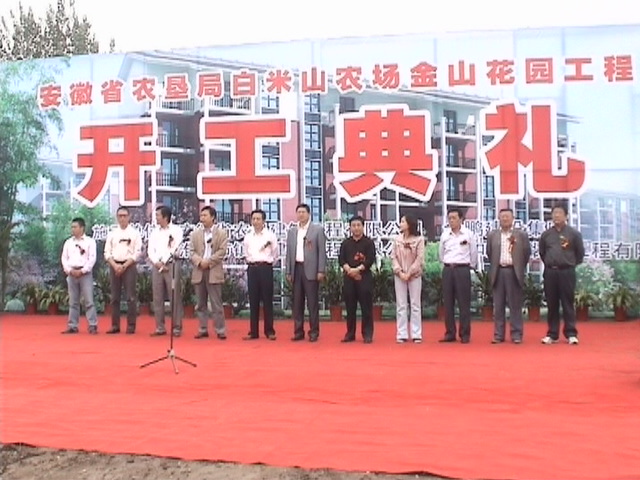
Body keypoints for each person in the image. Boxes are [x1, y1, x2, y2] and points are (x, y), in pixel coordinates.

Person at [539, 204, 585, 345]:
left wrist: (568, 263)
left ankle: (571, 333)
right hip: (550, 272)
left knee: (567, 303)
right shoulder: (546, 234)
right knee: (552, 303)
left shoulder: (574, 234)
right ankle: (552, 334)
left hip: (567, 272)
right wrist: (551, 263)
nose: (556, 216)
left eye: (559, 213)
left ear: (566, 216)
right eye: (554, 213)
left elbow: (580, 254)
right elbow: (542, 253)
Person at [486, 208, 531, 344]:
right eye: (502, 217)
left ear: (513, 219)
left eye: (507, 216)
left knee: (515, 305)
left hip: (513, 272)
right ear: (498, 219)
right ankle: (498, 335)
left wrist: (518, 266)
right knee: (498, 306)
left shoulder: (521, 235)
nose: (505, 219)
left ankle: (516, 334)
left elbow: (526, 253)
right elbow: (489, 253)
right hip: (498, 271)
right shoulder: (493, 235)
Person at [285, 203, 326, 342]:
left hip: (312, 270)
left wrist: (321, 270)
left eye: (303, 212)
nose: (301, 215)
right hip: (296, 269)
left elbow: (322, 252)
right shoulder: (292, 231)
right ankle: (298, 331)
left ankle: (314, 332)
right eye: (299, 212)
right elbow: (289, 253)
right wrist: (288, 271)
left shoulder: (317, 230)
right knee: (297, 303)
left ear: (309, 214)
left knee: (312, 303)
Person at [438, 208, 478, 343]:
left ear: (461, 219)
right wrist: (447, 264)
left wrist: (468, 267)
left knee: (464, 303)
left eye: (454, 218)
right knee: (448, 303)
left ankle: (465, 334)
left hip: (462, 269)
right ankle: (450, 333)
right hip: (448, 269)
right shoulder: (445, 235)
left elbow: (473, 254)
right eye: (449, 218)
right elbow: (441, 254)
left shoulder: (468, 234)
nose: (451, 221)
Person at [191, 206, 228, 340]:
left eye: (205, 215)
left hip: (213, 270)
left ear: (213, 217)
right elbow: (191, 252)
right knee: (200, 304)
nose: (202, 218)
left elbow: (222, 251)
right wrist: (200, 262)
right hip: (199, 270)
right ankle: (202, 329)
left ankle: (220, 330)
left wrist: (209, 262)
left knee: (216, 303)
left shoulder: (221, 233)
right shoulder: (195, 234)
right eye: (201, 216)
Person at [338, 215, 377, 344]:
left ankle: (367, 334)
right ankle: (350, 333)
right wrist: (349, 269)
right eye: (353, 225)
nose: (356, 228)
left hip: (364, 278)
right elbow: (341, 259)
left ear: (363, 226)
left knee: (366, 308)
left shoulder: (369, 242)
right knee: (350, 308)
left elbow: (370, 259)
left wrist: (358, 270)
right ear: (350, 227)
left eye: (358, 225)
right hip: (349, 278)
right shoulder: (346, 243)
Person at [104, 206, 142, 334]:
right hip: (114, 265)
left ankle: (131, 325)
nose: (122, 218)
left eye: (124, 216)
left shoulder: (135, 233)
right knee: (114, 297)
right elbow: (107, 252)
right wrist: (115, 265)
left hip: (129, 266)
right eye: (120, 216)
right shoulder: (112, 233)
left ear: (129, 217)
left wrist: (124, 266)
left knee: (131, 297)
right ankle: (115, 325)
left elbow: (137, 252)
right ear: (117, 217)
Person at [148, 205, 184, 337]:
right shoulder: (154, 232)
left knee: (174, 296)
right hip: (157, 266)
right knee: (157, 297)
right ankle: (160, 327)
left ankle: (176, 327)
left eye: (158, 215)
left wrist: (165, 261)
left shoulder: (177, 230)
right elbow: (150, 250)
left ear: (165, 217)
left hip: (171, 265)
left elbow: (176, 247)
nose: (156, 218)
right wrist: (157, 262)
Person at [243, 209, 279, 340]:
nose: (255, 221)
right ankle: (253, 331)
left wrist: (266, 264)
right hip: (252, 268)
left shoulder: (270, 236)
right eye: (253, 219)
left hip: (265, 268)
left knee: (267, 300)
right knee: (253, 301)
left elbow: (275, 254)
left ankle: (269, 331)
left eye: (258, 219)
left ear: (264, 221)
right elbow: (246, 253)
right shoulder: (248, 236)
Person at [60, 217, 98, 334]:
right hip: (71, 273)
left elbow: (92, 259)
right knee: (73, 302)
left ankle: (92, 325)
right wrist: (69, 271)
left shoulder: (90, 242)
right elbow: (64, 258)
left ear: (82, 228)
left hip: (85, 274)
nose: (73, 229)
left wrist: (82, 271)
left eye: (75, 227)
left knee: (89, 300)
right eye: (72, 227)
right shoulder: (68, 242)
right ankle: (72, 325)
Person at [391, 214, 425, 343]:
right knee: (401, 305)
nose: (400, 224)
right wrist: (400, 272)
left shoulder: (419, 239)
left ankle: (416, 334)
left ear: (409, 224)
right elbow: (393, 257)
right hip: (399, 275)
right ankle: (402, 333)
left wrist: (409, 273)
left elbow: (419, 258)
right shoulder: (397, 239)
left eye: (403, 221)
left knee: (415, 304)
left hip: (414, 275)